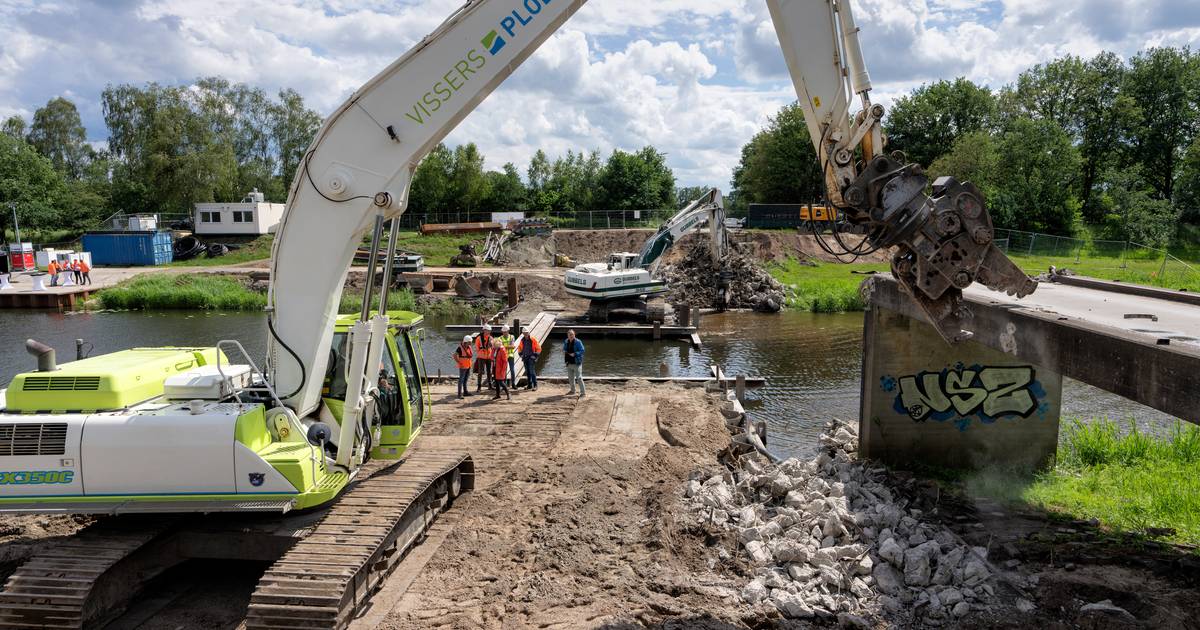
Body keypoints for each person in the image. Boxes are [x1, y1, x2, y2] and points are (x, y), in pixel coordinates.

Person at [516, 327, 541, 391]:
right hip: (525, 358)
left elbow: (538, 348)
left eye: (526, 333)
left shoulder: (533, 339)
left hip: (531, 358)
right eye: (524, 333)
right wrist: (521, 355)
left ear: (528, 332)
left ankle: (535, 385)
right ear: (523, 333)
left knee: (532, 371)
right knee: (527, 372)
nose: (525, 334)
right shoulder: (522, 340)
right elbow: (519, 348)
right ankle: (529, 385)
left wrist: (535, 356)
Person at [563, 329, 585, 397]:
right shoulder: (566, 341)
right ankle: (573, 390)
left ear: (574, 334)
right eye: (570, 335)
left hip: (577, 362)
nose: (571, 336)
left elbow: (582, 350)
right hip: (569, 362)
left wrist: (575, 354)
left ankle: (583, 393)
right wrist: (564, 351)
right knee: (570, 378)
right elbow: (564, 348)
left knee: (579, 378)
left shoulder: (578, 342)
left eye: (572, 334)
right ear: (568, 336)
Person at [474, 325, 494, 392]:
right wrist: (483, 349)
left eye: (490, 331)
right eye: (488, 330)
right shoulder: (479, 338)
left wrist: (491, 346)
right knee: (480, 372)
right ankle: (479, 387)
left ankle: (490, 386)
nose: (489, 332)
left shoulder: (491, 338)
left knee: (489, 372)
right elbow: (477, 348)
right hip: (481, 357)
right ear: (484, 330)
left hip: (489, 357)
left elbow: (493, 347)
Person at [497, 325, 517, 389]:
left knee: (512, 370)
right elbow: (499, 347)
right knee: (504, 370)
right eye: (503, 332)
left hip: (510, 355)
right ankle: (504, 385)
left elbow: (513, 347)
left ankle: (513, 384)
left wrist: (503, 346)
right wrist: (509, 346)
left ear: (508, 331)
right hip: (503, 356)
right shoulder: (499, 338)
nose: (504, 333)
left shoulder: (512, 337)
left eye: (505, 331)